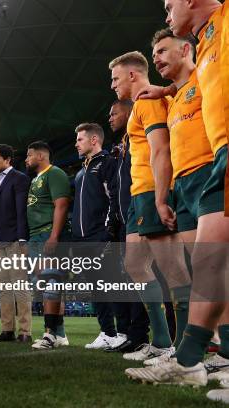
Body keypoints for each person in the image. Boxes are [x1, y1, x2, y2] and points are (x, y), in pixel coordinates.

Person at [126, 3, 229, 395]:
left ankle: (188, 359)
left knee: (209, 264)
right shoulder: (205, 45)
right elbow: (202, 78)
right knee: (212, 265)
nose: (166, 12)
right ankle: (197, 359)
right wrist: (168, 88)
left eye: (170, 5)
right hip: (213, 166)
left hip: (214, 163)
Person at [108, 51, 192, 363]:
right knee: (134, 264)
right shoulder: (140, 105)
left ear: (132, 75)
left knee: (174, 270)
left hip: (152, 190)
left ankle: (185, 349)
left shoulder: (149, 101)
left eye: (116, 78)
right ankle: (161, 341)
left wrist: (161, 196)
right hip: (138, 194)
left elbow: (161, 149)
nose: (113, 85)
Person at [104, 100, 152, 354]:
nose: (109, 117)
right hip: (125, 222)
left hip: (143, 214)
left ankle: (163, 338)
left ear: (128, 111)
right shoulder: (120, 148)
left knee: (154, 277)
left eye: (114, 113)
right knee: (132, 280)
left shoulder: (137, 138)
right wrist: (114, 219)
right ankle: (137, 335)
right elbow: (116, 189)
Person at [72, 123, 123, 350]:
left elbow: (113, 197)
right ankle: (107, 332)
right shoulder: (82, 170)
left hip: (100, 236)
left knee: (111, 284)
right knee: (96, 287)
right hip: (82, 238)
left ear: (94, 140)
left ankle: (123, 332)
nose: (76, 143)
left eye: (80, 139)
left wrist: (107, 231)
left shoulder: (106, 163)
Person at [24, 141, 71, 350]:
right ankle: (59, 334)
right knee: (45, 286)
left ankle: (50, 334)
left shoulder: (55, 173)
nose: (26, 159)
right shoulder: (35, 180)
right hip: (35, 237)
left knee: (52, 283)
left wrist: (54, 236)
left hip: (47, 234)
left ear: (41, 156)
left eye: (29, 155)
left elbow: (61, 205)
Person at [0, 144, 32, 343]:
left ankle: (25, 331)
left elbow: (21, 210)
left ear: (7, 160)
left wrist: (22, 239)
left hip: (14, 238)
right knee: (3, 286)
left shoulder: (19, 178)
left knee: (19, 285)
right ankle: (7, 330)